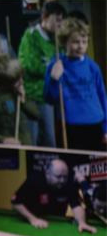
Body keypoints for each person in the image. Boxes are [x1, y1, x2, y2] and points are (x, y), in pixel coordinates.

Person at [44, 19, 107, 152]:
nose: (81, 46)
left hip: (95, 123)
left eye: (84, 42)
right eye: (75, 42)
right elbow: (49, 98)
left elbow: (102, 96)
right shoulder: (56, 64)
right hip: (70, 126)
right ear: (64, 42)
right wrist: (54, 79)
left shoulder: (92, 66)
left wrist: (106, 127)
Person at [17, 1, 66, 147]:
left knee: (50, 139)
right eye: (57, 20)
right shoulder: (31, 35)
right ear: (44, 16)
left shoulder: (56, 38)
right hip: (33, 95)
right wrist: (51, 70)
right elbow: (27, 65)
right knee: (35, 139)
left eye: (61, 20)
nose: (60, 24)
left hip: (50, 95)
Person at [11, 159, 96, 234]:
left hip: (54, 219)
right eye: (58, 177)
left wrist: (82, 222)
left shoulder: (68, 182)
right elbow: (15, 202)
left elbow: (76, 205)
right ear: (48, 173)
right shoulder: (35, 180)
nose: (62, 180)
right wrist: (33, 219)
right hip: (30, 216)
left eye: (65, 177)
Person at [0, 54, 39, 145]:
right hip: (4, 149)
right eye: (17, 80)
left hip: (25, 146)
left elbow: (36, 115)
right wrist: (2, 140)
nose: (22, 82)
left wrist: (23, 101)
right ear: (6, 81)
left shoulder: (18, 93)